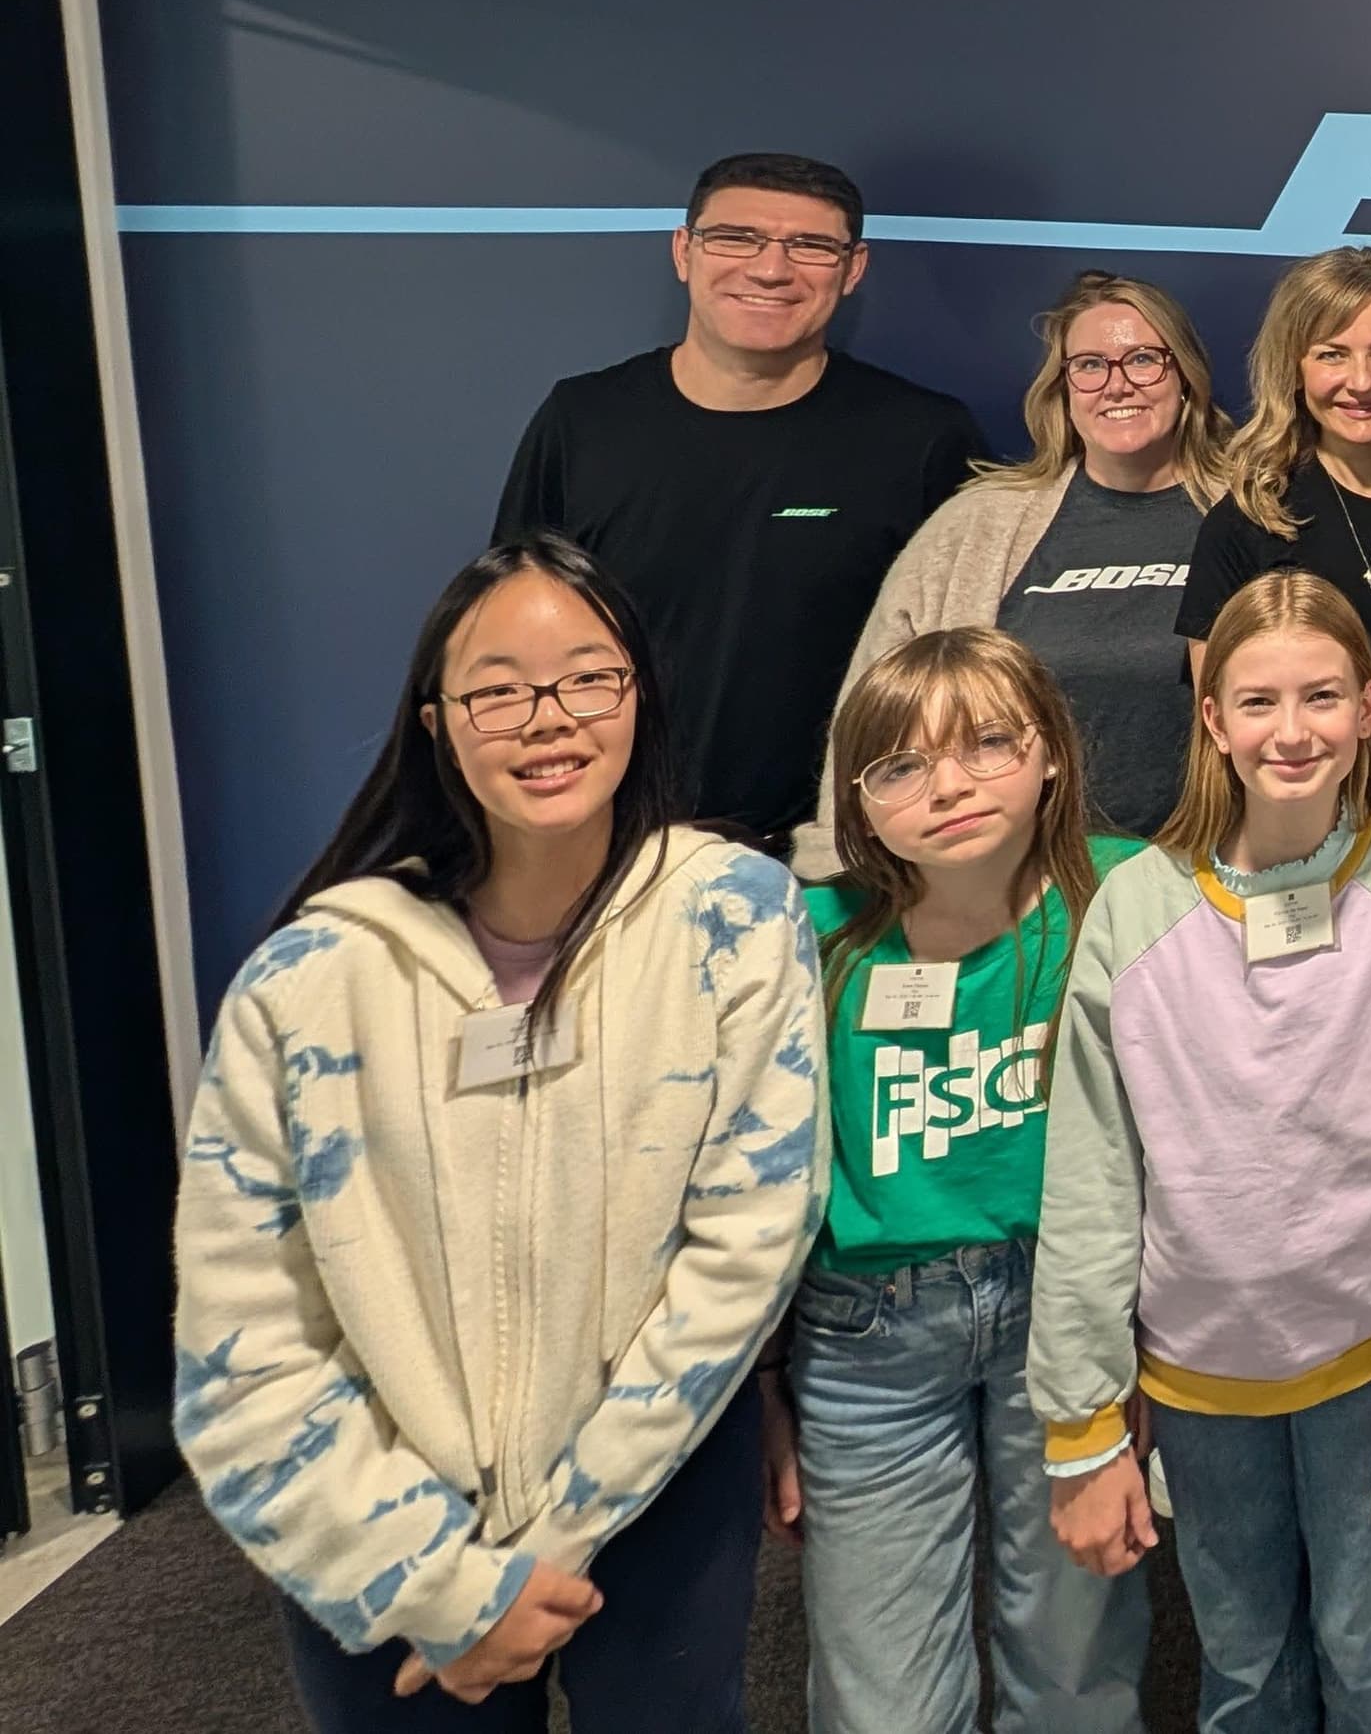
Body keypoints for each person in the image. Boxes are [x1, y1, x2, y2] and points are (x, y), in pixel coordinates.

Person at [172, 534, 820, 1730]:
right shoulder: (312, 976)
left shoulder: (733, 914)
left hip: (654, 1486)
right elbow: (242, 1339)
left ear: (638, 696)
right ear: (436, 719)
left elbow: (747, 1242)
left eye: (587, 676)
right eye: (499, 688)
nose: (548, 717)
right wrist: (447, 1585)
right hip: (380, 1517)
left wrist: (552, 1546)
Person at [1031, 569, 1371, 1734]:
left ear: (1368, 705)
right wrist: (1084, 1414)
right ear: (1212, 718)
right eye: (1259, 700)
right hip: (1198, 1372)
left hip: (1370, 1360)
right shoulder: (1134, 908)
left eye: (1323, 696)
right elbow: (1091, 1174)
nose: (1292, 730)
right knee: (1242, 1671)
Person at [766, 629, 1148, 1734]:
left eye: (988, 743)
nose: (950, 785)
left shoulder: (1122, 897)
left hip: (1064, 1318)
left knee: (1075, 1660)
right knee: (881, 1689)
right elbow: (751, 1175)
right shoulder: (814, 936)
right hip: (866, 1336)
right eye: (900, 765)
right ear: (858, 801)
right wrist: (765, 1382)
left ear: (1052, 757)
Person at [494, 151, 984, 839]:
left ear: (854, 269)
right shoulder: (584, 421)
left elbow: (966, 668)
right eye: (736, 237)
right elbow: (511, 639)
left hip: (841, 859)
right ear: (683, 251)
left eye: (811, 245)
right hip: (605, 845)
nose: (771, 268)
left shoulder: (924, 439)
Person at [844, 271, 1235, 838]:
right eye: (1090, 365)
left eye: (1144, 360)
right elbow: (873, 713)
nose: (1117, 384)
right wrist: (847, 861)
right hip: (1019, 880)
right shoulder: (977, 525)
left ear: (1186, 378)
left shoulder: (1255, 512)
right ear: (1064, 385)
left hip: (1207, 871)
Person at [1180, 246, 1371, 683]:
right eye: (1332, 354)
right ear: (1294, 368)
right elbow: (1221, 722)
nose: (1362, 382)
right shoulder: (1245, 524)